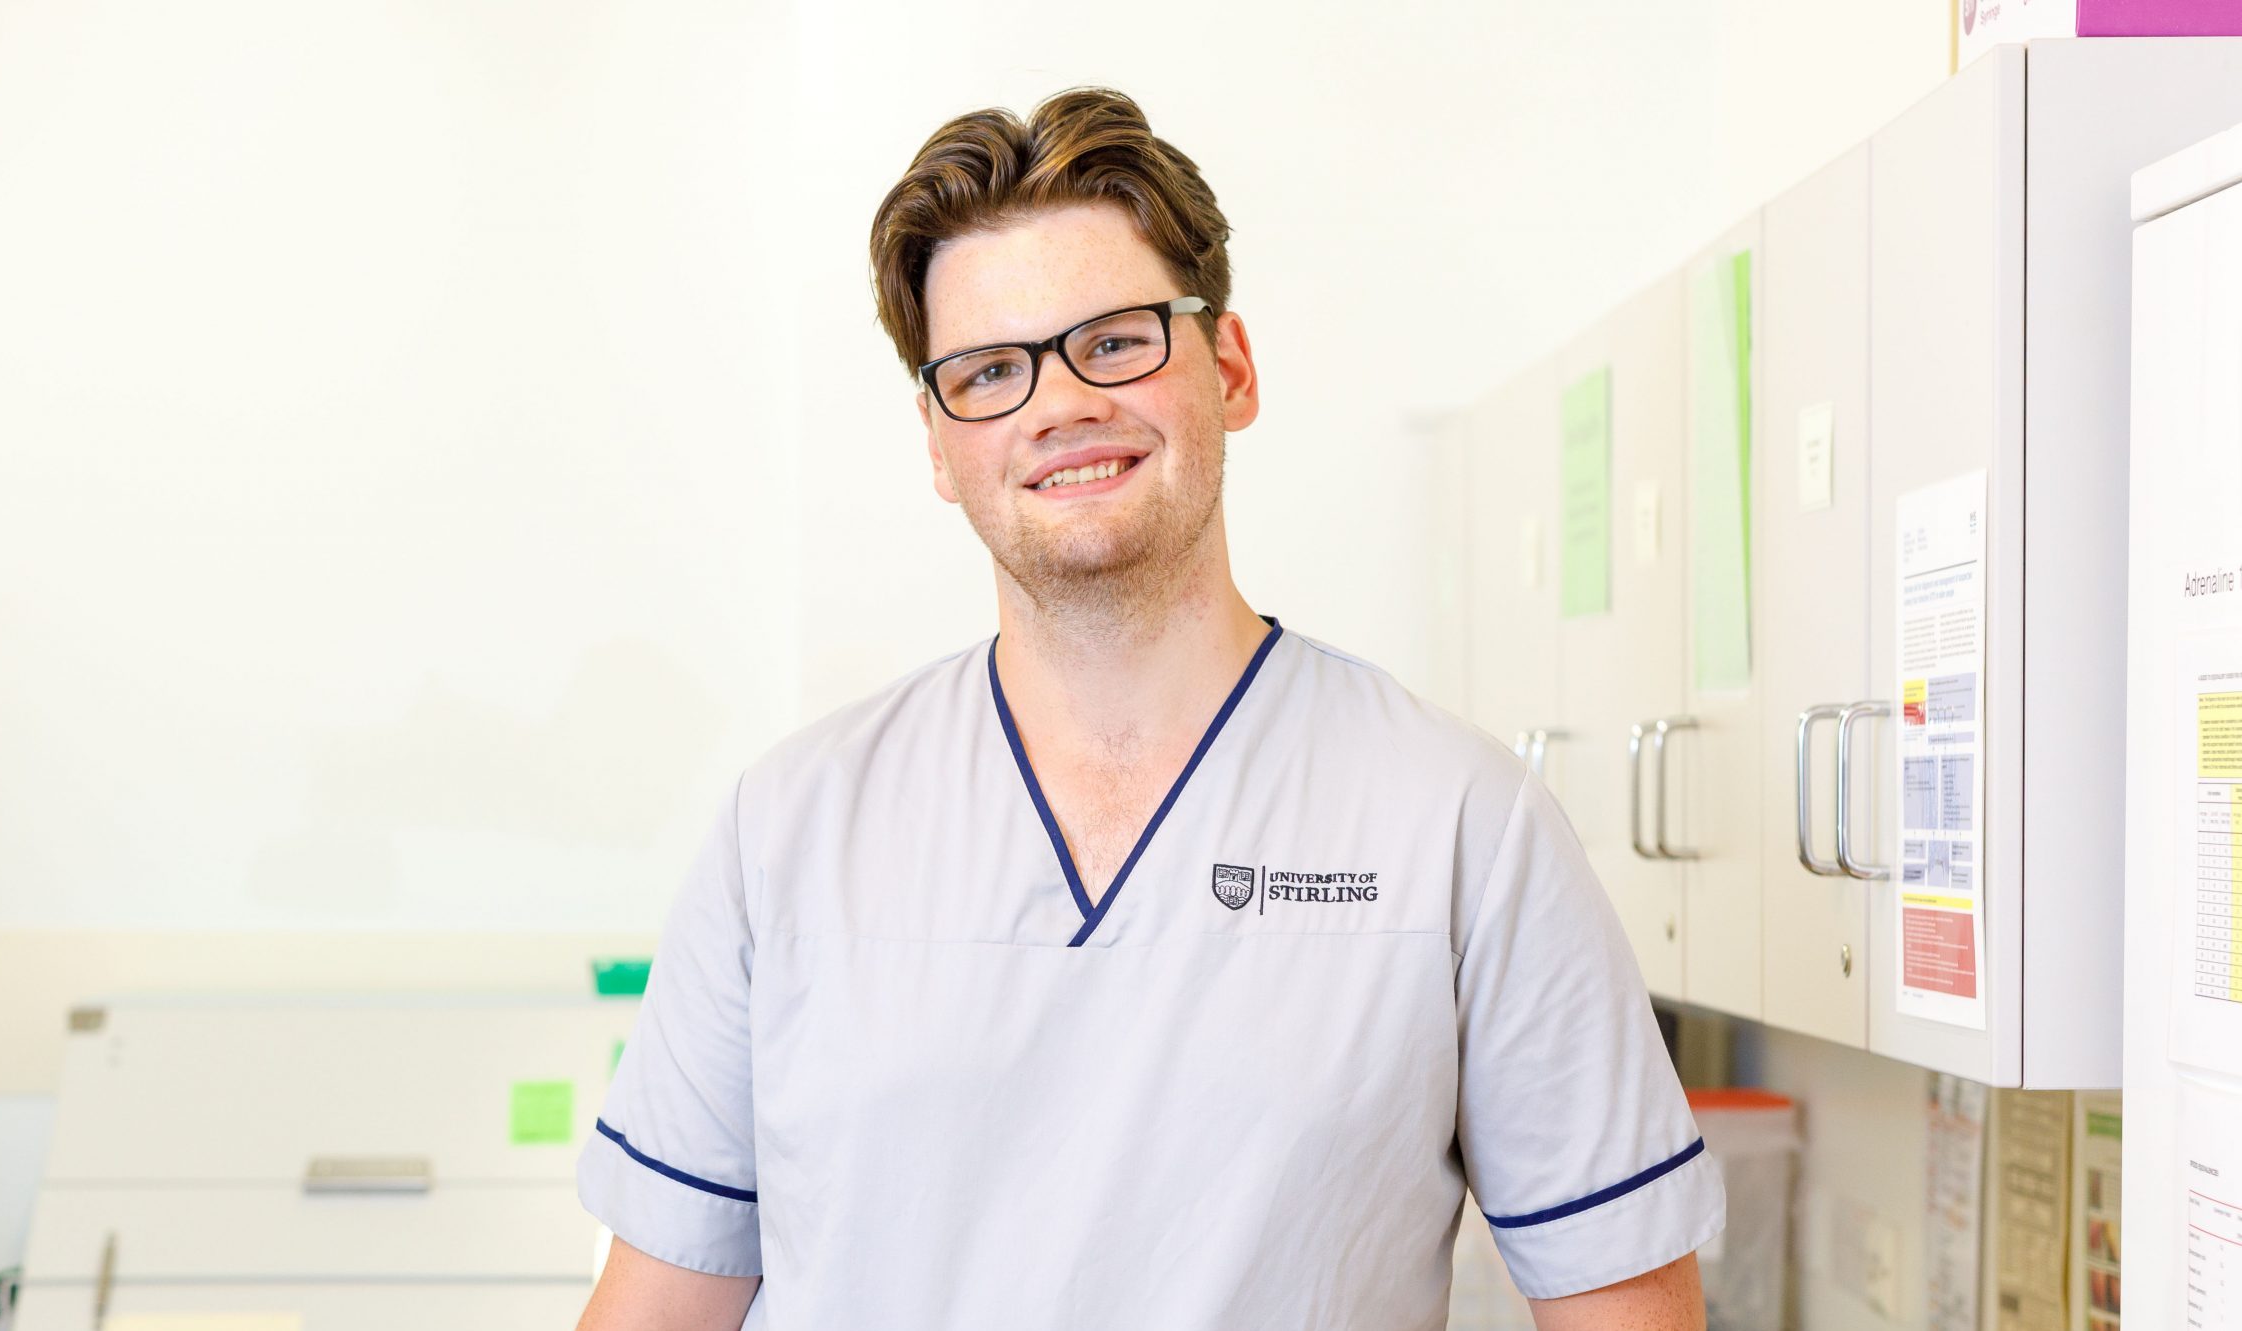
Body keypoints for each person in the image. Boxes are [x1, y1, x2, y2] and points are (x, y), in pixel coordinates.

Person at [574, 87, 1722, 1331]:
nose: (1059, 404)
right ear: (936, 440)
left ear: (1227, 367)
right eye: (989, 371)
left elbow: (1628, 1311)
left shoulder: (1462, 827)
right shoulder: (787, 830)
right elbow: (657, 1303)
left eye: (1115, 340)